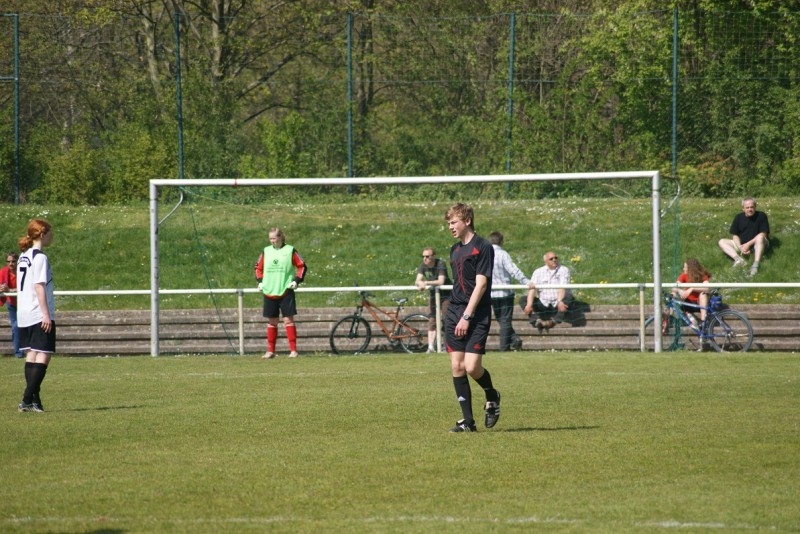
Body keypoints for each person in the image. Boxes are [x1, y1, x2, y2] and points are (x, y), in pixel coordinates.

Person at [443, 203, 500, 433]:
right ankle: (468, 421)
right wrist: (457, 314)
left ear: (467, 221)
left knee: (471, 366)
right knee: (457, 366)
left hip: (475, 313)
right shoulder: (454, 249)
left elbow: (481, 284)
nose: (450, 227)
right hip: (454, 312)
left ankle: (492, 395)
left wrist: (467, 316)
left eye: (454, 222)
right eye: (448, 223)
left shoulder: (483, 246)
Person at [16, 219, 56, 413]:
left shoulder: (23, 256)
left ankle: (35, 401)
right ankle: (26, 399)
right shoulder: (40, 257)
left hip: (24, 312)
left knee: (32, 354)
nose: (52, 236)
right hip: (37, 312)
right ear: (42, 234)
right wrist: (46, 314)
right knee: (44, 354)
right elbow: (39, 286)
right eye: (49, 232)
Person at [254, 227, 307, 359]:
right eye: (270, 238)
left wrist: (296, 281)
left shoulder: (290, 250)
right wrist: (260, 282)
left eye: (274, 238)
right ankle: (270, 351)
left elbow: (302, 266)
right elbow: (258, 268)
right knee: (272, 322)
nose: (272, 241)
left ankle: (293, 350)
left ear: (280, 237)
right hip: (269, 291)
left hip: (285, 290)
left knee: (288, 320)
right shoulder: (266, 251)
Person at [488, 231, 529, 351]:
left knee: (501, 319)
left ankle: (514, 339)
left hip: (492, 293)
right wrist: (526, 281)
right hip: (505, 293)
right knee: (505, 320)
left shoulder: (484, 254)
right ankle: (504, 348)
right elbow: (513, 270)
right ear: (501, 241)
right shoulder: (502, 254)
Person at [717, 197, 770, 277]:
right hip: (742, 244)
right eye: (747, 207)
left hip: (758, 244)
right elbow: (735, 235)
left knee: (760, 237)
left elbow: (763, 234)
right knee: (722, 241)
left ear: (755, 207)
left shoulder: (761, 215)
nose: (750, 209)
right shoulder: (738, 217)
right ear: (743, 208)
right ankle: (738, 260)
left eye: (752, 207)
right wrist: (740, 247)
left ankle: (756, 265)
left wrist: (748, 245)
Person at [522, 251, 574, 333]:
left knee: (569, 297)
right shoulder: (538, 272)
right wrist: (529, 305)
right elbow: (532, 289)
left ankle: (554, 321)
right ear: (545, 261)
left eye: (555, 258)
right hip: (543, 303)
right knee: (523, 300)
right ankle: (536, 321)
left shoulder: (564, 270)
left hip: (557, 303)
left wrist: (559, 301)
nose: (554, 260)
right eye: (551, 259)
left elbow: (562, 287)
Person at [415, 247, 451, 353]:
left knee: (446, 319)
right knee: (432, 319)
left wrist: (426, 283)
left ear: (433, 256)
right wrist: (420, 283)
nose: (424, 258)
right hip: (433, 294)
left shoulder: (440, 264)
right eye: (423, 256)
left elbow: (441, 281)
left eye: (427, 256)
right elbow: (417, 280)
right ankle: (430, 347)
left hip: (446, 295)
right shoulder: (423, 265)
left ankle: (447, 345)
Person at [674, 258, 711, 324]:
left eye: (685, 267)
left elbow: (707, 288)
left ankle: (703, 322)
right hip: (687, 302)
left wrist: (692, 288)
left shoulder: (703, 275)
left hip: (699, 303)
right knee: (673, 293)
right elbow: (674, 287)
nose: (683, 269)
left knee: (703, 294)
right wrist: (680, 291)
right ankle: (670, 316)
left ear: (691, 269)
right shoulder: (684, 275)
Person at [1, 252, 24, 358]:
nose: (11, 264)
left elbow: (25, 288)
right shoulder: (3, 272)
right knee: (15, 326)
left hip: (24, 303)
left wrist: (9, 290)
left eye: (13, 261)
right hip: (12, 303)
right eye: (8, 261)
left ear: (17, 261)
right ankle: (18, 352)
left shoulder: (23, 271)